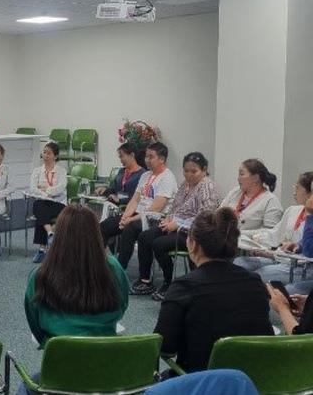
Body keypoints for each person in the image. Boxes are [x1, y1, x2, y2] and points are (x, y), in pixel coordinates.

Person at [154, 208, 273, 375]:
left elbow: (164, 347)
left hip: (200, 381)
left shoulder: (183, 287)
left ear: (193, 244)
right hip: (251, 379)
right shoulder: (255, 282)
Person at [25, 205, 129, 346]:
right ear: (96, 235)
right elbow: (122, 305)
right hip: (106, 351)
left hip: (59, 354)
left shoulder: (41, 274)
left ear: (59, 235)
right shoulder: (113, 267)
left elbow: (35, 322)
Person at [132, 152, 220, 300]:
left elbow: (205, 216)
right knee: (145, 237)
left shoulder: (207, 186)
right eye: (186, 171)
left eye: (194, 171)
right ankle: (145, 280)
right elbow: (174, 207)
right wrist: (168, 219)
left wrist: (177, 224)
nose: (189, 175)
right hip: (174, 225)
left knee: (159, 244)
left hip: (192, 232)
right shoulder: (185, 184)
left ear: (204, 170)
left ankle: (169, 282)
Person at [100, 142, 178, 270]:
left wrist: (130, 220)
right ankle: (100, 263)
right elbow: (135, 200)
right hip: (137, 215)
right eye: (146, 156)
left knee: (129, 228)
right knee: (105, 225)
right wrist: (125, 217)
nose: (147, 160)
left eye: (151, 157)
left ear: (162, 159)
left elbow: (156, 208)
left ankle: (120, 268)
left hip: (155, 218)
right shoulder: (145, 176)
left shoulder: (167, 178)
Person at [234, 171, 313, 283]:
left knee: (257, 275)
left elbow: (307, 251)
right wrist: (250, 237)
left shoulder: (310, 218)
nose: (294, 192)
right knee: (239, 263)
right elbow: (274, 234)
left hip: (299, 266)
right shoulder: (292, 210)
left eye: (297, 188)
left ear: (310, 193)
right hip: (280, 259)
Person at [219, 159, 283, 249]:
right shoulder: (235, 192)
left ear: (255, 178)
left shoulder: (270, 201)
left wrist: (239, 233)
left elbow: (271, 233)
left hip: (251, 249)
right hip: (225, 243)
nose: (238, 178)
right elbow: (218, 214)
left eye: (242, 174)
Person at [28, 142, 67, 263]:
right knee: (39, 206)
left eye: (49, 153)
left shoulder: (61, 171)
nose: (45, 155)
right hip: (43, 202)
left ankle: (42, 250)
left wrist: (46, 189)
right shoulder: (37, 171)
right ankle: (50, 233)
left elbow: (61, 187)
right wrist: (46, 194)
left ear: (55, 156)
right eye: (44, 152)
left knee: (40, 212)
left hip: (58, 203)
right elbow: (33, 188)